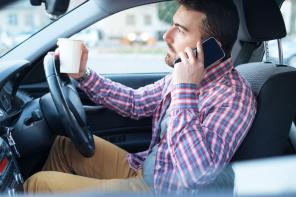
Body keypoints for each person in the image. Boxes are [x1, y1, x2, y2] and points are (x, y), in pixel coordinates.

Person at [24, 0, 256, 194]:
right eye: (172, 25)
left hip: (161, 191)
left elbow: (196, 174)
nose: (166, 35)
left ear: (209, 47)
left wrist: (186, 92)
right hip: (149, 170)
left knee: (38, 184)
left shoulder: (233, 98)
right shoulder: (189, 72)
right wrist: (84, 75)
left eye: (181, 30)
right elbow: (136, 103)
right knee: (65, 145)